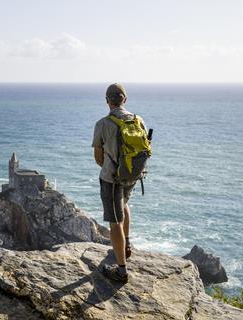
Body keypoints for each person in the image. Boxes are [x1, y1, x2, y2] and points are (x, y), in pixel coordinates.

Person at [92, 83, 146, 283]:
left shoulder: (103, 124)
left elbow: (98, 157)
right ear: (125, 99)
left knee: (115, 221)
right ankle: (127, 244)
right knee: (124, 204)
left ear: (107, 101)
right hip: (133, 175)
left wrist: (109, 167)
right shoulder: (138, 120)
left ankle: (121, 271)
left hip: (112, 179)